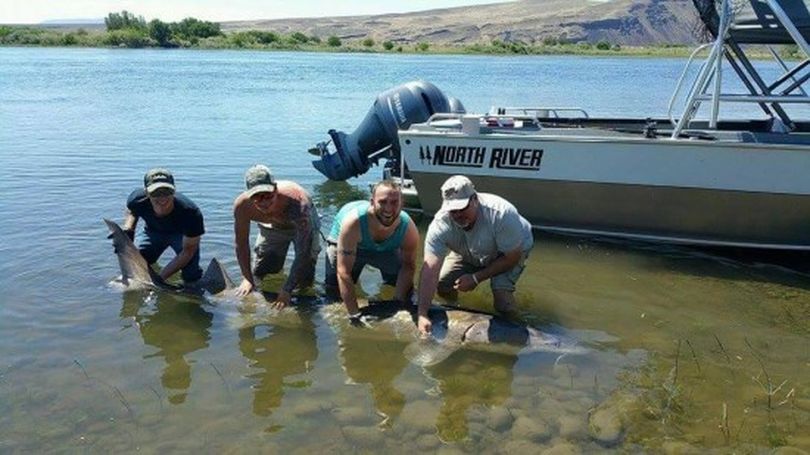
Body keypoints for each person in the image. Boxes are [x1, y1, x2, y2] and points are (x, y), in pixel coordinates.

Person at [416, 175, 533, 335]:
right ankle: (457, 312)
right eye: (453, 210)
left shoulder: (502, 214)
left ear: (475, 200)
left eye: (462, 208)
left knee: (502, 302)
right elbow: (430, 270)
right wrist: (422, 314)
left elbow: (512, 257)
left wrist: (476, 278)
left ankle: (522, 336)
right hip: (470, 248)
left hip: (508, 250)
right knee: (443, 284)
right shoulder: (440, 225)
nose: (458, 215)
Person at [325, 180, 419, 320]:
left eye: (394, 202)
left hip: (385, 249)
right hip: (349, 243)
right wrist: (354, 314)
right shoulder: (353, 222)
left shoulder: (407, 227)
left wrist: (397, 305)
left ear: (402, 203)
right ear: (372, 202)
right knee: (334, 291)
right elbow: (343, 271)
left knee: (406, 290)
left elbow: (409, 265)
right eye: (382, 202)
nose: (388, 209)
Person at [233, 164, 320, 308]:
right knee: (264, 270)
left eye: (268, 195)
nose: (264, 202)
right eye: (257, 197)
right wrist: (247, 278)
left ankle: (298, 291)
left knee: (305, 277)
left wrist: (287, 290)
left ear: (275, 188)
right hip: (273, 226)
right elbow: (241, 243)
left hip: (302, 224)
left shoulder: (298, 204)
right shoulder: (242, 206)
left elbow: (303, 251)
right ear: (248, 195)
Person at [122, 168, 205, 284]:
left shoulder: (191, 213)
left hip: (181, 236)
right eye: (156, 193)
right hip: (153, 231)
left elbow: (188, 251)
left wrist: (159, 279)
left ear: (174, 191)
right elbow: (132, 211)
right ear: (146, 193)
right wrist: (128, 228)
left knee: (191, 274)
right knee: (136, 261)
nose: (162, 198)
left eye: (167, 191)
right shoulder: (136, 199)